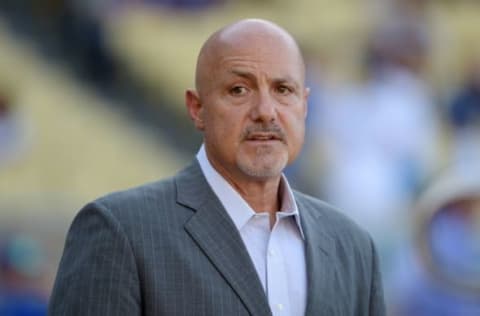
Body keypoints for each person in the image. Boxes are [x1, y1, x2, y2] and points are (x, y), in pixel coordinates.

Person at [48, 19, 386, 316]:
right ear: (197, 109)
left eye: (283, 90)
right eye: (239, 90)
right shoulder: (120, 231)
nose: (266, 111)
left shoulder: (353, 247)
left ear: (305, 106)